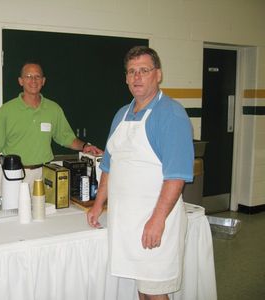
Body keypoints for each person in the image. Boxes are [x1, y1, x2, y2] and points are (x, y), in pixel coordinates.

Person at [87, 46, 194, 299]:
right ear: (125, 78)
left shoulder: (171, 114)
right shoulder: (121, 114)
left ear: (158, 74)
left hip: (155, 219)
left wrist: (157, 220)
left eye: (144, 70)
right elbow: (109, 166)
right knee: (143, 291)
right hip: (126, 222)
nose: (137, 77)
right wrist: (98, 204)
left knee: (155, 292)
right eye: (131, 72)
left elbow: (176, 176)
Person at [0, 61, 103, 190]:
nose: (34, 80)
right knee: (13, 210)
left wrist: (85, 146)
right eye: (28, 76)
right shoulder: (6, 111)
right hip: (14, 175)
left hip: (45, 174)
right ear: (20, 81)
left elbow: (66, 137)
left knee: (44, 210)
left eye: (37, 77)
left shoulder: (53, 109)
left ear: (43, 81)